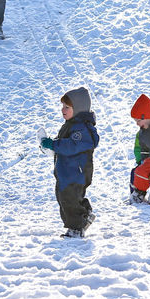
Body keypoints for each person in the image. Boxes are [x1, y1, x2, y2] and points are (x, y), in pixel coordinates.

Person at [40, 88, 98, 237]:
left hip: (76, 173)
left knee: (69, 199)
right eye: (63, 106)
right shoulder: (71, 125)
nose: (62, 110)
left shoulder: (81, 129)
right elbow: (65, 144)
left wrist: (54, 144)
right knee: (65, 198)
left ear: (78, 109)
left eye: (67, 107)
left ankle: (76, 229)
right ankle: (85, 214)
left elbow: (71, 146)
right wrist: (51, 147)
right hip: (68, 172)